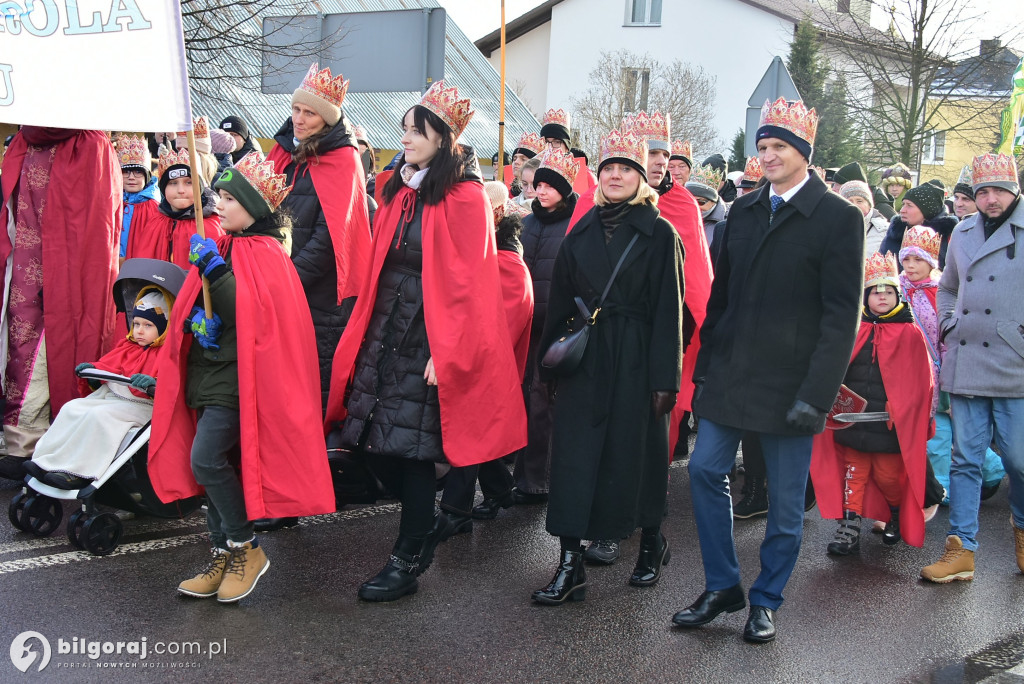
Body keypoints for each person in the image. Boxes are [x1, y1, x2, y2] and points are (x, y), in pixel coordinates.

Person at [324, 81, 527, 602]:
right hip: (386, 330)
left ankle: (409, 554)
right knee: (367, 440)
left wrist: (449, 349)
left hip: (425, 339)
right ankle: (424, 527)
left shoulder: (463, 197)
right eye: (405, 130)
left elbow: (471, 282)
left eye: (417, 132)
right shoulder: (400, 187)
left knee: (410, 451)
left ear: (443, 137)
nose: (407, 139)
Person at [672, 97, 863, 643]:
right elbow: (724, 299)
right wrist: (706, 366)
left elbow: (839, 314)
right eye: (762, 147)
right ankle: (722, 585)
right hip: (732, 371)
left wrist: (817, 394)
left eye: (779, 147)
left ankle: (766, 599)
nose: (768, 156)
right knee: (706, 470)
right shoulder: (745, 211)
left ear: (803, 152)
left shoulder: (838, 218)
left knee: (783, 502)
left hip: (793, 384)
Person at [149, 151, 335, 603]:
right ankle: (222, 552)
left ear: (253, 208)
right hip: (211, 373)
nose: (220, 204)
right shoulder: (228, 244)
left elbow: (255, 318)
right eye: (222, 196)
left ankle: (246, 548)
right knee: (216, 466)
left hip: (241, 382)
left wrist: (215, 273)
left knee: (206, 459)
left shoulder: (267, 252)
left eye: (230, 199)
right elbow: (213, 309)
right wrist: (197, 321)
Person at [531, 127, 683, 604]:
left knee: (637, 455)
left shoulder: (661, 233)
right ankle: (570, 563)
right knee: (574, 458)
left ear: (642, 179)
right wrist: (549, 367)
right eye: (608, 169)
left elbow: (669, 311)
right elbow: (560, 302)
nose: (615, 176)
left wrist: (665, 379)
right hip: (587, 358)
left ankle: (651, 544)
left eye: (626, 169)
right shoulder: (582, 229)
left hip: (638, 359)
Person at [921, 153, 1024, 584]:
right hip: (965, 361)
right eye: (983, 191)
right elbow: (946, 287)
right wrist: (948, 324)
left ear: (1014, 190)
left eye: (998, 190)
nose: (990, 198)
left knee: (1019, 459)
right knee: (965, 459)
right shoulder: (962, 231)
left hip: (1014, 362)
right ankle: (961, 548)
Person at [0, 127, 121, 479]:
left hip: (66, 270)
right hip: (22, 264)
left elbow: (93, 229)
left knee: (62, 344)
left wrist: (62, 276)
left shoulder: (89, 145)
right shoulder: (25, 140)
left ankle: (57, 441)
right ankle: (22, 439)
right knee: (20, 346)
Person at [265, 63, 372, 415]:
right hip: (275, 285)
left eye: (309, 113)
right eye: (296, 109)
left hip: (320, 296)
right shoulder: (280, 152)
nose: (299, 118)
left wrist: (287, 280)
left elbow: (332, 240)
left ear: (326, 118)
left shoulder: (343, 159)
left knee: (310, 389)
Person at [810, 252, 933, 556]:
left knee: (889, 477)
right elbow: (837, 367)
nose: (881, 296)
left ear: (897, 296)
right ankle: (849, 527)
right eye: (875, 292)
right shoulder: (855, 329)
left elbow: (922, 382)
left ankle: (893, 514)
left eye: (888, 291)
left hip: (888, 426)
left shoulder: (910, 333)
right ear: (865, 297)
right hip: (852, 421)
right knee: (854, 473)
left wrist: (907, 411)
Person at [437, 181, 533, 536]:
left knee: (472, 433)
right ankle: (500, 490)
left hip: (488, 367)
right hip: (473, 358)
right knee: (478, 434)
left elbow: (499, 330)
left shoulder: (507, 263)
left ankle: (454, 510)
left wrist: (461, 354)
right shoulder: (491, 255)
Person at [29, 286, 175, 489]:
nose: (139, 331)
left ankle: (78, 472)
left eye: (148, 325)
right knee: (72, 409)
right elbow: (108, 365)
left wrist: (153, 384)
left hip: (143, 406)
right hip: (114, 398)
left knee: (99, 417)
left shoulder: (169, 353)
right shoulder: (128, 346)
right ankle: (46, 461)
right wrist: (92, 372)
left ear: (165, 326)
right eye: (136, 324)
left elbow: (172, 385)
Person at [510, 149, 580, 512]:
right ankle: (517, 474)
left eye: (550, 185)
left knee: (542, 404)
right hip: (524, 324)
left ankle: (537, 480)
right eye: (539, 184)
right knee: (519, 399)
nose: (542, 190)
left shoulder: (576, 222)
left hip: (556, 326)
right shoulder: (526, 221)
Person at [125, 146, 224, 268]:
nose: (181, 190)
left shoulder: (210, 226)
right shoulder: (156, 222)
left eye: (189, 182)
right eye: (173, 183)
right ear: (163, 188)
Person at [878, 181, 958, 270]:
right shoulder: (894, 234)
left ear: (927, 211)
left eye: (909, 205)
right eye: (903, 204)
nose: (902, 210)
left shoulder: (949, 237)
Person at [116, 134, 160, 261]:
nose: (131, 177)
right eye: (126, 172)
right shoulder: (112, 203)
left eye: (138, 172)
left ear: (146, 176)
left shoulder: (153, 208)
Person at [840, 180, 889, 258]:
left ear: (869, 205)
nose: (854, 205)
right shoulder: (834, 229)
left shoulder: (885, 230)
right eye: (849, 201)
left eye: (859, 201)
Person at [686, 162, 726, 248]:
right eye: (690, 201)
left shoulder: (728, 221)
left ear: (713, 202)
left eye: (700, 202)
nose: (695, 206)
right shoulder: (678, 217)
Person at [506, 132, 545, 197]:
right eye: (514, 158)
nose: (516, 162)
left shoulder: (544, 198)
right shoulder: (506, 196)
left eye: (523, 159)